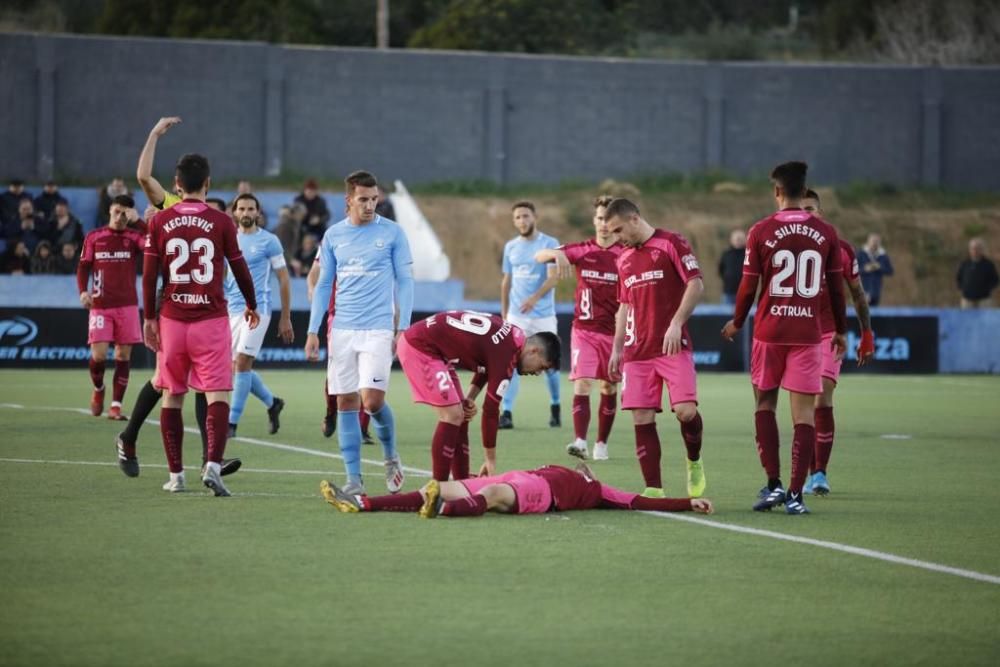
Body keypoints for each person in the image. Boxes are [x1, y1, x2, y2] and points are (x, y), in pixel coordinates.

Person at [721, 161, 848, 515]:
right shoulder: (827, 233)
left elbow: (748, 285)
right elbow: (836, 290)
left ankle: (773, 484)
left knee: (764, 405)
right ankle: (796, 494)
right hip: (808, 334)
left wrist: (737, 320)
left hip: (770, 333)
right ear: (803, 189)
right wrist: (840, 329)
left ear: (776, 192)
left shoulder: (760, 230)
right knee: (804, 415)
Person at [117, 117, 240, 481]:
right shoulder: (172, 204)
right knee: (165, 382)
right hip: (175, 306)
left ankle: (207, 460)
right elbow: (143, 177)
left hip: (203, 310)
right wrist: (154, 134)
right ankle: (128, 437)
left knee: (199, 383)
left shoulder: (217, 221)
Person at [142, 153, 259, 496]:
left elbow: (150, 276)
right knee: (217, 394)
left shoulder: (159, 221)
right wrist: (251, 304)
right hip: (210, 320)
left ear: (177, 185)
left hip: (172, 321)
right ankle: (211, 466)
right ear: (208, 184)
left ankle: (176, 476)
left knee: (172, 396)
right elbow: (239, 268)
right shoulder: (222, 221)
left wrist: (149, 317)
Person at [305, 170, 414, 496]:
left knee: (373, 400)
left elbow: (405, 282)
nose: (369, 205)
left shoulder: (393, 233)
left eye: (374, 199)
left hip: (379, 328)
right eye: (363, 199)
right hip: (342, 330)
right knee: (346, 402)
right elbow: (324, 284)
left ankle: (390, 454)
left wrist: (403, 327)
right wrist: (313, 330)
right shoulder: (334, 235)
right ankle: (354, 480)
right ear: (349, 200)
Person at [605, 198, 707, 500]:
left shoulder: (671, 242)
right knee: (641, 418)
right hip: (637, 352)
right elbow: (624, 306)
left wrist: (676, 323)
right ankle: (654, 487)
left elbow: (696, 284)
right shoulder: (622, 258)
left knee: (686, 412)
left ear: (635, 219)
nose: (616, 237)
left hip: (672, 347)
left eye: (618, 230)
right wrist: (617, 348)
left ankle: (694, 460)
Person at [397, 310, 561, 480]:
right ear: (534, 351)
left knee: (461, 414)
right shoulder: (508, 354)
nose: (537, 373)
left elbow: (488, 363)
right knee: (452, 415)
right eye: (541, 367)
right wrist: (490, 460)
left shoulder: (515, 336)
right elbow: (490, 410)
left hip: (434, 348)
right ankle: (438, 489)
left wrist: (469, 398)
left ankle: (461, 483)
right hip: (421, 347)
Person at [534, 195, 622, 461]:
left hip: (614, 332)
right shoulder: (582, 250)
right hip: (584, 330)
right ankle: (580, 441)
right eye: (599, 218)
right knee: (583, 384)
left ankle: (601, 444)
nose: (604, 224)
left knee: (608, 388)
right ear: (594, 221)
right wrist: (557, 253)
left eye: (608, 219)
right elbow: (539, 256)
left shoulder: (626, 253)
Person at [801, 189, 875, 495]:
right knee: (803, 405)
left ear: (821, 211)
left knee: (822, 398)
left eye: (811, 208)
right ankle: (807, 473)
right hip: (798, 334)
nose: (806, 213)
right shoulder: (786, 246)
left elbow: (857, 293)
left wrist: (866, 332)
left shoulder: (841, 249)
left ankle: (819, 474)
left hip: (830, 333)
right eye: (801, 208)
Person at [320, 462, 713, 518]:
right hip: (519, 476)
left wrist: (687, 502)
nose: (584, 467)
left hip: (540, 495)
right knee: (441, 485)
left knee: (490, 494)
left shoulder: (599, 489)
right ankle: (364, 501)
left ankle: (443, 511)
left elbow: (639, 500)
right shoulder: (561, 466)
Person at [224, 193, 293, 438]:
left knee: (242, 363)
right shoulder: (227, 238)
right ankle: (272, 403)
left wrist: (286, 317)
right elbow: (223, 275)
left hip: (258, 309)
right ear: (234, 212)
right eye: (241, 208)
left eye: (250, 208)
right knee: (235, 367)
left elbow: (284, 279)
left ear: (258, 212)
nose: (246, 213)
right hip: (231, 310)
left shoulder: (269, 241)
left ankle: (231, 424)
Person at [77, 194, 146, 420]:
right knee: (98, 356)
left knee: (123, 355)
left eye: (124, 213)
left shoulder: (134, 237)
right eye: (116, 211)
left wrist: (140, 222)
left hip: (127, 305)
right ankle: (98, 389)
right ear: (109, 211)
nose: (120, 216)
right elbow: (84, 266)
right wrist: (83, 291)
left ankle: (116, 405)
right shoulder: (95, 237)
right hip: (100, 305)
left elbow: (153, 245)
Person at [499, 201, 561, 429]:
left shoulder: (549, 244)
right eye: (517, 217)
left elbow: (554, 277)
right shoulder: (511, 247)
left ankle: (555, 406)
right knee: (511, 363)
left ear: (535, 217)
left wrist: (534, 298)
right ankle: (507, 412)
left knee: (550, 365)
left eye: (525, 216)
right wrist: (505, 315)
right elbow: (506, 282)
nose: (522, 221)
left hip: (543, 315)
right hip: (517, 316)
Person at [306, 252, 375, 445]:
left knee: (368, 373)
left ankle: (362, 427)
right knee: (338, 374)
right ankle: (331, 411)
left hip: (373, 318)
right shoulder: (334, 238)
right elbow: (314, 272)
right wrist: (313, 288)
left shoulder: (383, 238)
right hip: (339, 317)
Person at [956, 238, 999, 309]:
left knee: (984, 319)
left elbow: (995, 280)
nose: (975, 251)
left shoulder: (988, 264)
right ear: (969, 250)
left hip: (984, 300)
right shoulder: (964, 263)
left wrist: (987, 289)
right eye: (973, 248)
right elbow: (958, 278)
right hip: (967, 300)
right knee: (967, 319)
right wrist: (962, 289)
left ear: (982, 250)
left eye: (977, 248)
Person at [856, 233, 893, 306]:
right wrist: (864, 269)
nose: (874, 244)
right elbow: (853, 271)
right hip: (862, 289)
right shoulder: (860, 254)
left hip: (876, 290)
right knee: (863, 313)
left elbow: (890, 271)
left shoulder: (883, 256)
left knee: (874, 313)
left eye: (877, 242)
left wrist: (880, 267)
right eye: (873, 241)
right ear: (868, 242)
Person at [717, 229, 746, 305]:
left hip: (744, 292)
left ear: (745, 240)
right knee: (726, 315)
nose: (738, 241)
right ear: (731, 240)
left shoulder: (748, 254)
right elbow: (721, 269)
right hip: (728, 292)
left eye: (740, 239)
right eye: (736, 239)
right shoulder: (726, 254)